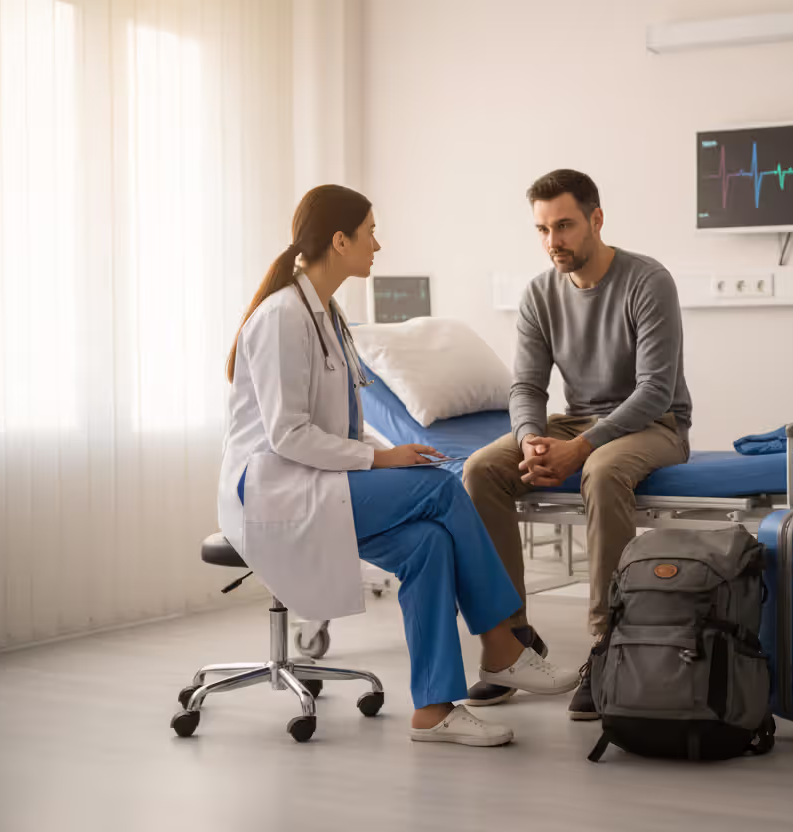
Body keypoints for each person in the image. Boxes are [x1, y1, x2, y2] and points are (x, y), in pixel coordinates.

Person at [217, 185, 578, 747]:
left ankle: (433, 710)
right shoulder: (284, 317)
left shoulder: (326, 314)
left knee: (429, 544)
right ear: (340, 241)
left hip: (320, 483)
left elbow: (337, 426)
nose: (377, 244)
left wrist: (376, 458)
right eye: (369, 232)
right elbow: (288, 436)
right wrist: (380, 459)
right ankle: (503, 645)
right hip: (276, 494)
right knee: (439, 488)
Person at [463, 170, 692, 720]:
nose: (552, 241)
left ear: (596, 219)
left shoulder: (647, 280)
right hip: (577, 420)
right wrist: (531, 440)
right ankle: (511, 639)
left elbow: (655, 389)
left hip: (655, 423)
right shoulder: (540, 292)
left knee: (603, 471)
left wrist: (582, 447)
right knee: (479, 471)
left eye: (563, 225)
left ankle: (605, 646)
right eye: (542, 229)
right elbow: (526, 387)